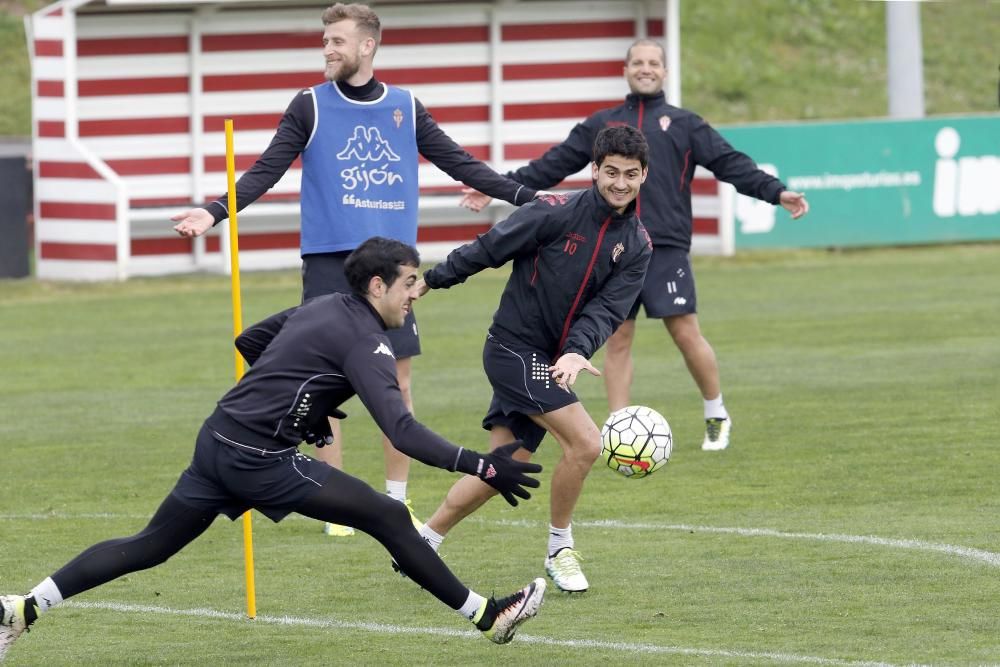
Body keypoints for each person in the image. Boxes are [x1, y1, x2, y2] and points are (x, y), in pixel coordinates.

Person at [0, 238, 547, 661]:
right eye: (408, 282)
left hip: (218, 436)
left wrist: (307, 407)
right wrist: (480, 463)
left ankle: (23, 608)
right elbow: (402, 430)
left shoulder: (325, 305)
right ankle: (487, 617)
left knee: (150, 545)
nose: (415, 293)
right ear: (377, 286)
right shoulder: (368, 340)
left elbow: (251, 343)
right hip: (256, 459)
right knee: (386, 514)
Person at [171, 3, 541, 536]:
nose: (327, 49)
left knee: (397, 385)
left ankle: (397, 498)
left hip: (394, 268)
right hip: (329, 262)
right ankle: (334, 506)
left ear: (367, 46)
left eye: (337, 41)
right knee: (319, 381)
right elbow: (266, 170)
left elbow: (460, 162)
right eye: (325, 40)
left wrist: (529, 196)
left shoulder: (405, 106)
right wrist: (215, 210)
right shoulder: (308, 106)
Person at [461, 39, 810, 452]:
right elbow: (552, 165)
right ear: (626, 69)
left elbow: (730, 163)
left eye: (654, 63)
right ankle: (619, 429)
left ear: (665, 71)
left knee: (684, 331)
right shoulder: (602, 125)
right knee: (617, 336)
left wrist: (776, 192)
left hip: (664, 247)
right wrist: (494, 188)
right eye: (638, 62)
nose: (646, 68)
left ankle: (716, 411)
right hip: (610, 250)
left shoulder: (685, 124)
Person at [412, 126, 653, 594]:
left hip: (553, 360)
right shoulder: (554, 211)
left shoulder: (639, 244)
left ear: (644, 175)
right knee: (585, 443)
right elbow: (491, 247)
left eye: (630, 174)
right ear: (594, 170)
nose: (619, 183)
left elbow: (607, 310)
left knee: (503, 468)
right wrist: (434, 279)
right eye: (610, 173)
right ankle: (559, 549)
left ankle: (421, 542)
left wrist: (575, 351)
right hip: (510, 349)